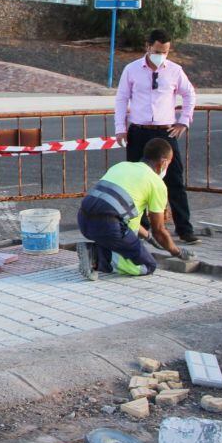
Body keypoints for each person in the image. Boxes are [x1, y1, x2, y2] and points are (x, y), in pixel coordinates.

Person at [114, 28, 200, 244]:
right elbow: (121, 99)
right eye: (157, 50)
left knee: (175, 180)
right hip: (139, 131)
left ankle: (184, 229)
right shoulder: (132, 69)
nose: (161, 55)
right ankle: (139, 227)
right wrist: (120, 127)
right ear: (148, 46)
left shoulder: (175, 70)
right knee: (135, 181)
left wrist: (184, 121)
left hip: (165, 131)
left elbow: (189, 94)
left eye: (166, 51)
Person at [76, 137, 192, 280]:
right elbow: (159, 230)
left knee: (121, 238)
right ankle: (96, 256)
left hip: (83, 220)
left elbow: (119, 211)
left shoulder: (121, 166)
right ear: (163, 162)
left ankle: (99, 251)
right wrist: (177, 252)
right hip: (108, 226)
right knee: (147, 265)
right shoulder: (156, 183)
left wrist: (148, 238)